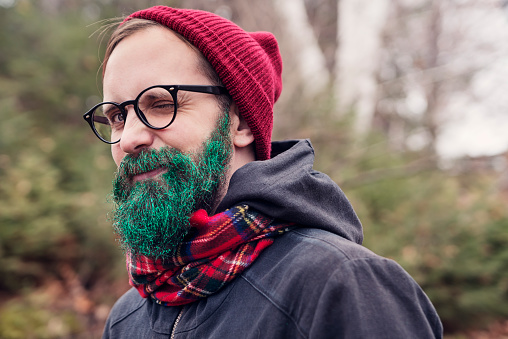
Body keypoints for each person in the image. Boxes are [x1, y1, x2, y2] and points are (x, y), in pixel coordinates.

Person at [83, 5, 443, 338]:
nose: (129, 138)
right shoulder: (127, 317)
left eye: (161, 104)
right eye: (117, 116)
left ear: (240, 122)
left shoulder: (343, 285)